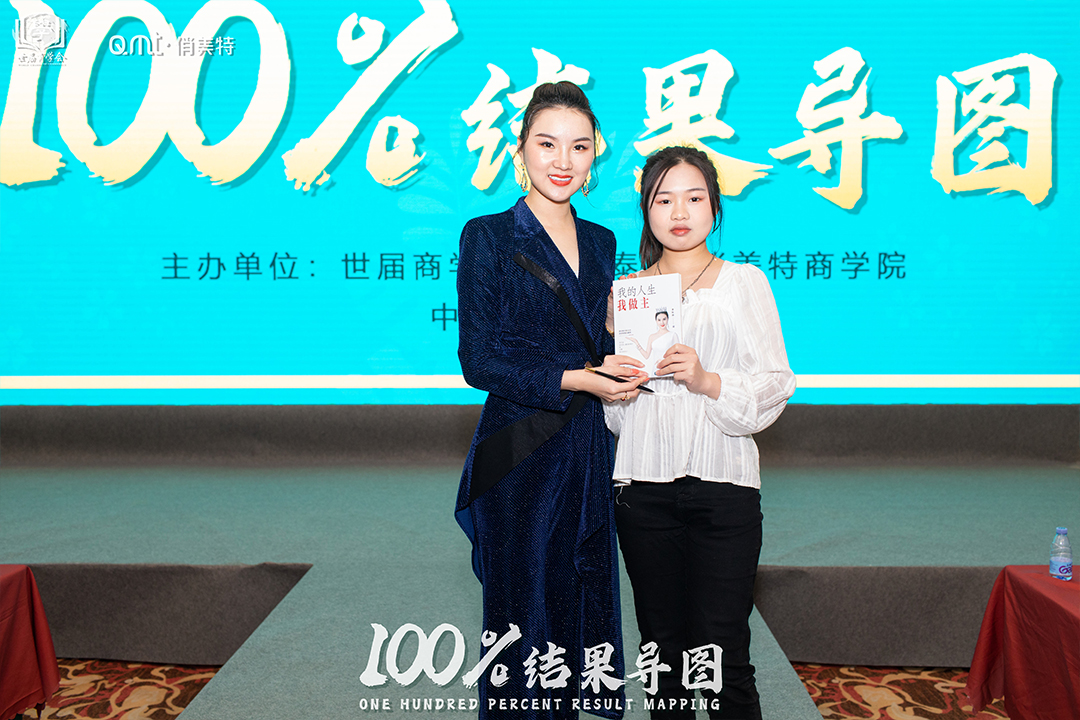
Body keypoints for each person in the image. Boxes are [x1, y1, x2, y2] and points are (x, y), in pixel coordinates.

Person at [455, 81, 647, 720]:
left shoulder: (602, 242)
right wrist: (578, 379)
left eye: (579, 147)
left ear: (595, 156)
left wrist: (620, 341)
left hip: (587, 449)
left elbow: (593, 342)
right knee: (520, 614)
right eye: (547, 144)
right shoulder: (488, 236)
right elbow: (478, 361)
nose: (563, 161)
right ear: (520, 151)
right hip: (519, 450)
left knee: (580, 596)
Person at [604, 146, 796, 720]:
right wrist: (616, 378)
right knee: (661, 654)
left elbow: (775, 382)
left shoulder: (743, 282)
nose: (679, 212)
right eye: (664, 200)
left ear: (714, 206)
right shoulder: (628, 293)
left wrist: (708, 380)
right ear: (646, 210)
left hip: (723, 488)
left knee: (723, 654)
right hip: (642, 491)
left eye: (693, 197)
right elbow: (618, 420)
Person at [626, 309, 679, 377]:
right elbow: (646, 355)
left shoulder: (673, 335)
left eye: (664, 319)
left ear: (668, 319)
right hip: (656, 369)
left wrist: (664, 360)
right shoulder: (652, 337)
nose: (662, 322)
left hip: (669, 369)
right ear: (656, 321)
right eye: (659, 320)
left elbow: (677, 355)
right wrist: (636, 343)